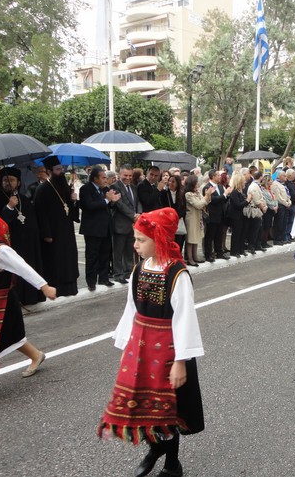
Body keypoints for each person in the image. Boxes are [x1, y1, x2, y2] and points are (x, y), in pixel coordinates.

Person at [98, 207, 204, 477]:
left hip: (168, 350)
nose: (135, 245)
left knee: (168, 409)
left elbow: (185, 319)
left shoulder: (177, 274)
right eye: (135, 239)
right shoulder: (140, 269)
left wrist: (180, 361)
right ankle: (155, 449)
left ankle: (172, 464)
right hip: (142, 347)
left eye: (141, 239)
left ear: (159, 239)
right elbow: (131, 310)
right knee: (145, 404)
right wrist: (126, 346)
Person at [0, 203, 57, 409]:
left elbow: (23, 268)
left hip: (1, 304)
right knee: (9, 337)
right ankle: (36, 355)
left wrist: (44, 287)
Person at [0, 167, 46, 305]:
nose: (8, 183)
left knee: (29, 268)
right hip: (11, 244)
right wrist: (9, 207)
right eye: (5, 180)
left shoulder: (24, 199)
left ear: (18, 183)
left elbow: (32, 221)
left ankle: (31, 297)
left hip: (28, 244)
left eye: (12, 180)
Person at [33, 156, 80, 297]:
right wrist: (46, 234)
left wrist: (74, 201)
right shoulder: (42, 189)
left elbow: (71, 213)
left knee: (68, 259)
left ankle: (70, 288)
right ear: (49, 171)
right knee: (56, 261)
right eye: (58, 169)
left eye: (61, 169)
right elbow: (40, 214)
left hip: (66, 231)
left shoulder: (65, 187)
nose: (61, 172)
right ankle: (56, 289)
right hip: (53, 233)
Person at [79, 166, 121, 291]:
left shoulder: (105, 189)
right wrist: (107, 200)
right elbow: (89, 205)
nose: (105, 180)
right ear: (95, 178)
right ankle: (91, 281)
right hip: (93, 229)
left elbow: (109, 206)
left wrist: (112, 201)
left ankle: (103, 278)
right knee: (92, 256)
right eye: (103, 178)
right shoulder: (86, 189)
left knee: (105, 254)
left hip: (106, 227)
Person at [111, 164, 141, 285]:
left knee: (129, 250)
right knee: (118, 251)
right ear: (119, 174)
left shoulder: (133, 187)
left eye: (130, 175)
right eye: (125, 175)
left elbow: (137, 202)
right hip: (120, 224)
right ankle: (118, 274)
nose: (128, 178)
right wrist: (133, 215)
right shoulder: (115, 186)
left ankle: (129, 272)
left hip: (132, 225)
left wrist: (139, 214)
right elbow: (120, 204)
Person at [183, 175, 212, 266]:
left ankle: (195, 256)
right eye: (196, 182)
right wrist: (206, 196)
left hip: (198, 218)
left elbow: (205, 202)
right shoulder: (188, 194)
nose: (197, 184)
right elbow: (198, 205)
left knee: (196, 238)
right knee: (191, 239)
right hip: (191, 218)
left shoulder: (197, 192)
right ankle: (190, 258)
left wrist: (208, 195)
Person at [201, 170, 230, 262]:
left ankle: (219, 252)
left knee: (219, 235)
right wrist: (224, 195)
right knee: (210, 236)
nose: (220, 177)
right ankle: (208, 254)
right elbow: (212, 200)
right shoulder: (207, 187)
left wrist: (227, 195)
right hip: (212, 215)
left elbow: (223, 200)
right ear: (213, 176)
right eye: (218, 175)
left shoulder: (220, 186)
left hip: (221, 214)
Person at [161, 175, 186, 256]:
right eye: (169, 181)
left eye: (173, 182)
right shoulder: (164, 193)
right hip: (168, 221)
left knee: (178, 242)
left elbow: (184, 208)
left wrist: (176, 217)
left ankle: (177, 258)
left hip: (178, 221)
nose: (170, 183)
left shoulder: (181, 194)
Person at [227, 173, 248, 258]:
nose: (244, 183)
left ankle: (241, 249)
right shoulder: (234, 192)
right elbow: (238, 205)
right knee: (236, 233)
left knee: (242, 233)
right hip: (235, 216)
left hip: (242, 215)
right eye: (243, 181)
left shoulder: (241, 192)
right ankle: (234, 251)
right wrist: (247, 200)